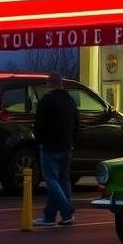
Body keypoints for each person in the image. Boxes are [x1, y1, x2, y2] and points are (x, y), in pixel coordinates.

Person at [33, 72, 79, 227]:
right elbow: (76, 124)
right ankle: (51, 216)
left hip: (50, 146)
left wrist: (39, 141)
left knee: (51, 180)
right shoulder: (70, 101)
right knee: (63, 180)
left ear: (49, 84)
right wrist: (72, 141)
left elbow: (38, 125)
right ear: (61, 83)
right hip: (66, 146)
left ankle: (66, 211)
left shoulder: (46, 101)